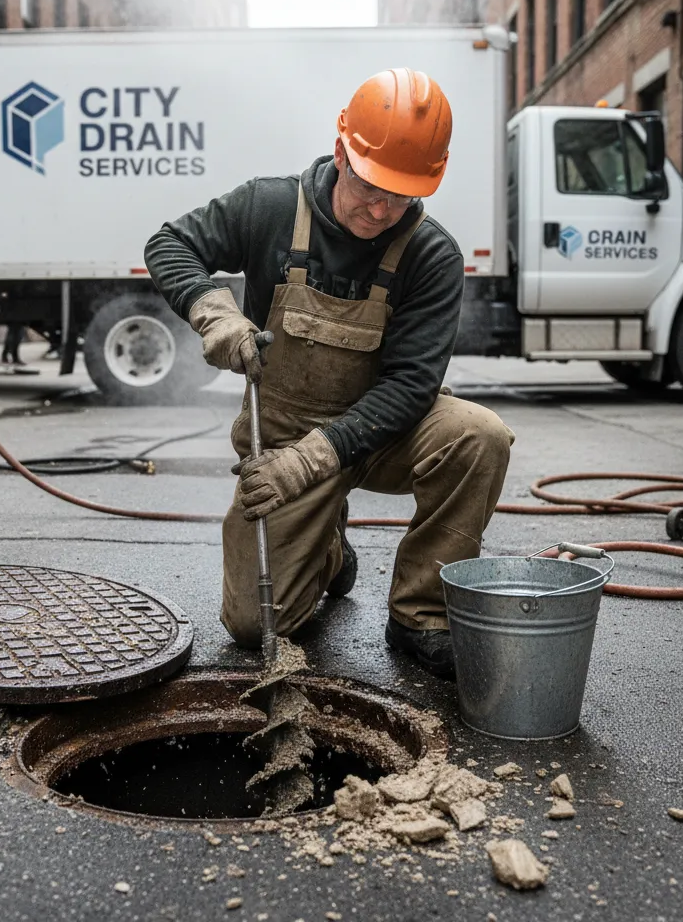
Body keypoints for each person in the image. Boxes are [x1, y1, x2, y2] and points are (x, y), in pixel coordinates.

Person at [144, 68, 513, 676]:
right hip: (284, 439)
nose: (381, 209)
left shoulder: (432, 255)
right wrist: (214, 312)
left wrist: (311, 463)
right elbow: (168, 244)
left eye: (400, 195)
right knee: (253, 626)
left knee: (480, 436)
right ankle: (330, 550)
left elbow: (411, 387)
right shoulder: (268, 206)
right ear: (342, 152)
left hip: (384, 435)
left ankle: (420, 612)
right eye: (370, 186)